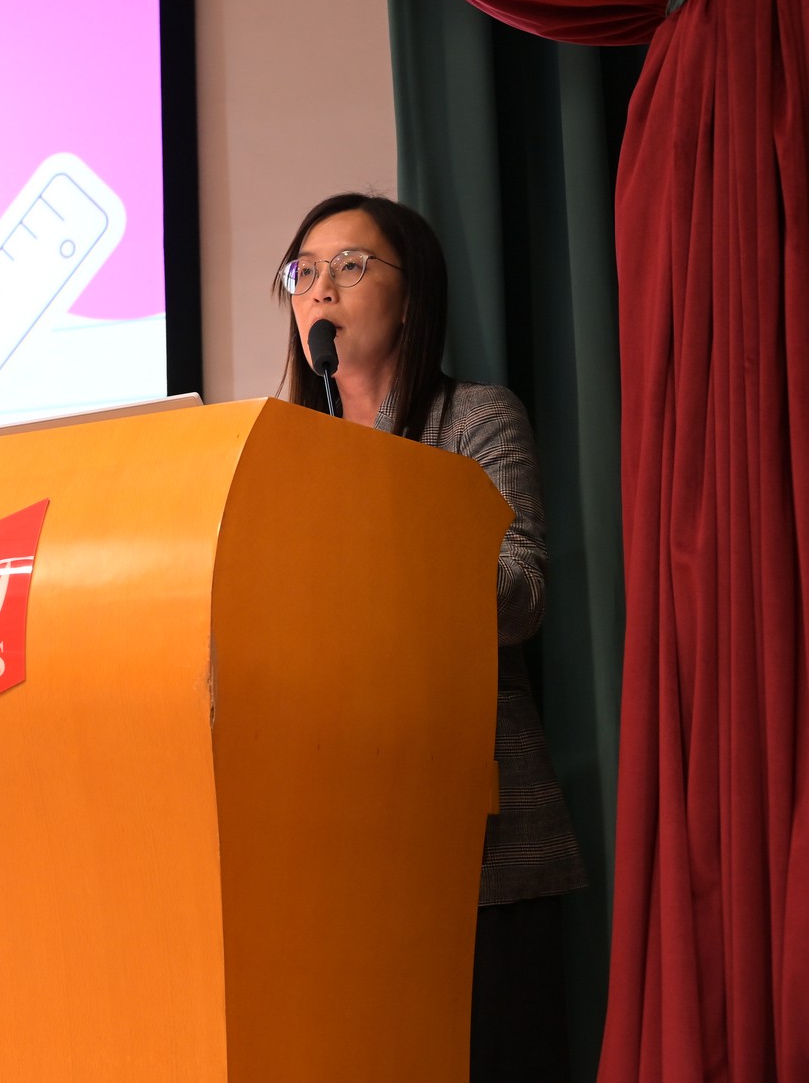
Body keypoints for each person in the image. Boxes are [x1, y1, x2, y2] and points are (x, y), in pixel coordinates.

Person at [273, 192, 587, 1082]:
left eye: (350, 265)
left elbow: (522, 593)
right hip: (339, 849)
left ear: (411, 297)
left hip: (484, 853)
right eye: (303, 272)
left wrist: (392, 516)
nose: (320, 288)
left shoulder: (476, 420)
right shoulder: (282, 458)